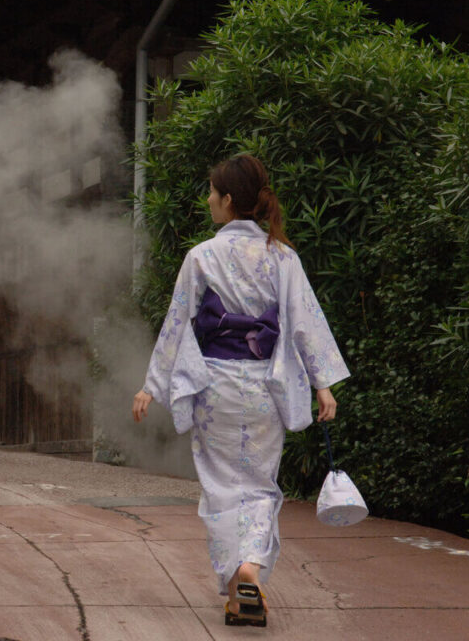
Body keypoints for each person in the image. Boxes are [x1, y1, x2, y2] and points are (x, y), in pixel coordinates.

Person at [132, 154, 349, 627]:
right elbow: (304, 322)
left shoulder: (202, 256)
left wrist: (152, 385)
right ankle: (249, 569)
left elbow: (177, 322)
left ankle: (237, 585)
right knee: (258, 485)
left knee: (221, 487)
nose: (209, 200)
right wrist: (323, 384)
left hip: (215, 387)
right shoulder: (283, 256)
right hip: (265, 386)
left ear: (229, 200)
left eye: (213, 193)